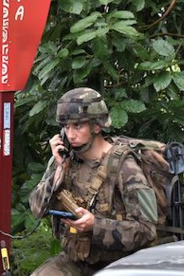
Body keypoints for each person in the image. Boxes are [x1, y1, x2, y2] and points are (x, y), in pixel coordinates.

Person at [28, 88, 157, 276]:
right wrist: (58, 173)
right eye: (65, 126)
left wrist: (95, 225)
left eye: (78, 126)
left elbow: (147, 230)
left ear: (96, 126)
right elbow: (36, 209)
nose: (70, 135)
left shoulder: (124, 166)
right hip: (75, 261)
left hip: (118, 264)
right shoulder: (63, 160)